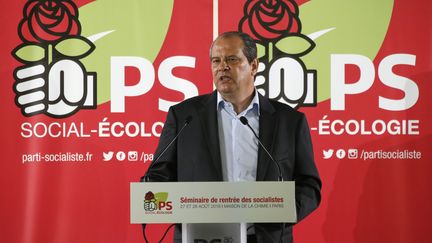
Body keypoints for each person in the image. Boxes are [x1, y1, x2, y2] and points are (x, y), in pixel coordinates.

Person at [144, 31, 321, 243]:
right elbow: (159, 176)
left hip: (265, 238)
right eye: (216, 61)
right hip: (201, 237)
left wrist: (281, 213)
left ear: (254, 65)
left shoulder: (289, 121)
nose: (222, 67)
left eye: (232, 59)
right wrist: (150, 192)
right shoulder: (184, 117)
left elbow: (308, 184)